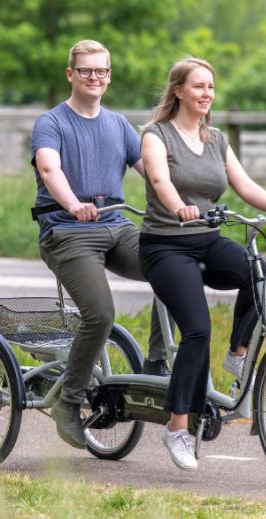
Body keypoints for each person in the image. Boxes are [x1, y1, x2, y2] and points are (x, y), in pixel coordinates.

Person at [139, 57, 266, 471]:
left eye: (211, 87)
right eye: (198, 86)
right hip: (166, 245)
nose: (206, 93)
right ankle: (177, 427)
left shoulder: (215, 139)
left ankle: (238, 351)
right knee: (197, 330)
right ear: (178, 90)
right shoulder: (156, 135)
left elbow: (244, 184)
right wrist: (179, 208)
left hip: (206, 239)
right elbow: (160, 181)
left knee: (256, 271)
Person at [30, 39, 170, 450]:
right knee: (101, 314)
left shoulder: (119, 125)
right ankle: (69, 403)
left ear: (109, 76)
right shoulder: (51, 123)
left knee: (172, 266)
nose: (95, 77)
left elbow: (153, 173)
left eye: (102, 71)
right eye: (86, 70)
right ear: (70, 74)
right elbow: (49, 168)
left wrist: (183, 203)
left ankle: (157, 362)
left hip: (115, 226)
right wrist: (73, 204)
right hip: (67, 231)